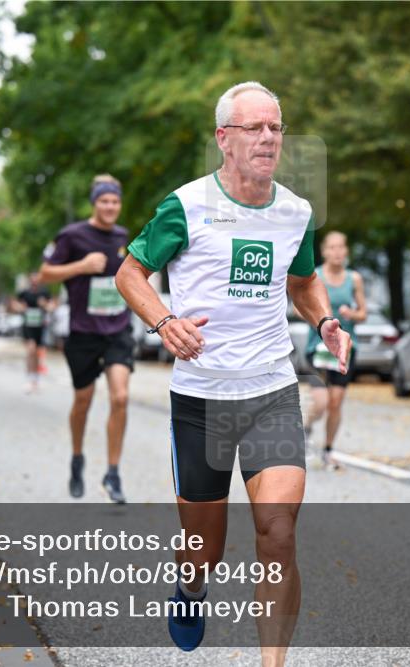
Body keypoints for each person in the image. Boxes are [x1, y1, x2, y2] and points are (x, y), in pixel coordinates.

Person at [116, 81, 351, 664]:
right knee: (204, 552)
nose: (269, 137)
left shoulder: (295, 212)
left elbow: (302, 284)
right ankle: (191, 589)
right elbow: (129, 275)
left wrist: (324, 322)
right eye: (255, 127)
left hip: (271, 390)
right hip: (201, 399)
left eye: (276, 127)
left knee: (277, 532)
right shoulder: (187, 205)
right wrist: (164, 321)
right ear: (225, 138)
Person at [39, 174, 134, 504]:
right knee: (84, 400)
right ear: (95, 203)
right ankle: (77, 458)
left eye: (115, 201)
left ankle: (113, 472)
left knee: (120, 397)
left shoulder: (123, 236)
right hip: (83, 332)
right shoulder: (72, 235)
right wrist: (80, 265)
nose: (110, 207)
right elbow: (44, 274)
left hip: (118, 329)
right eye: (104, 201)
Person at [302, 231, 366, 470]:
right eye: (332, 248)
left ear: (346, 251)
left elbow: (364, 313)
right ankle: (307, 428)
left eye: (341, 247)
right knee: (320, 401)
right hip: (317, 347)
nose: (337, 252)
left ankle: (328, 450)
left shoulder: (355, 279)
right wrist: (321, 318)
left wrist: (352, 314)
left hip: (346, 347)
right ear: (324, 251)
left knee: (336, 402)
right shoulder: (314, 275)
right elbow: (301, 308)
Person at [14, 273, 52, 395]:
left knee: (36, 352)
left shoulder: (44, 293)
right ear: (30, 281)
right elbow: (14, 305)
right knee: (30, 350)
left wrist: (45, 305)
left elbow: (52, 306)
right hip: (28, 325)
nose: (35, 282)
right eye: (33, 280)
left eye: (37, 280)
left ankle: (36, 378)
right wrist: (21, 307)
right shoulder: (24, 293)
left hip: (40, 326)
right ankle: (29, 378)